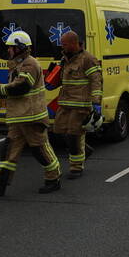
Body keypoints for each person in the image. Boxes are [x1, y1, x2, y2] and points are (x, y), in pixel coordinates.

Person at [0, 30, 62, 195]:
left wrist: (1, 89)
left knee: (40, 150)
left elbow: (22, 86)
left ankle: (54, 178)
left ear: (20, 48)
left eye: (11, 47)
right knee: (9, 150)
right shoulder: (19, 64)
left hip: (32, 118)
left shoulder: (29, 64)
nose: (8, 51)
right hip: (20, 117)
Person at [52, 30, 102, 179]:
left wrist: (96, 103)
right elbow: (62, 79)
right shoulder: (65, 59)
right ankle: (85, 150)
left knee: (74, 135)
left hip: (80, 105)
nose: (62, 46)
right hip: (64, 104)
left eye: (64, 44)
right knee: (59, 131)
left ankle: (76, 167)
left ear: (74, 44)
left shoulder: (88, 59)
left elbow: (96, 81)